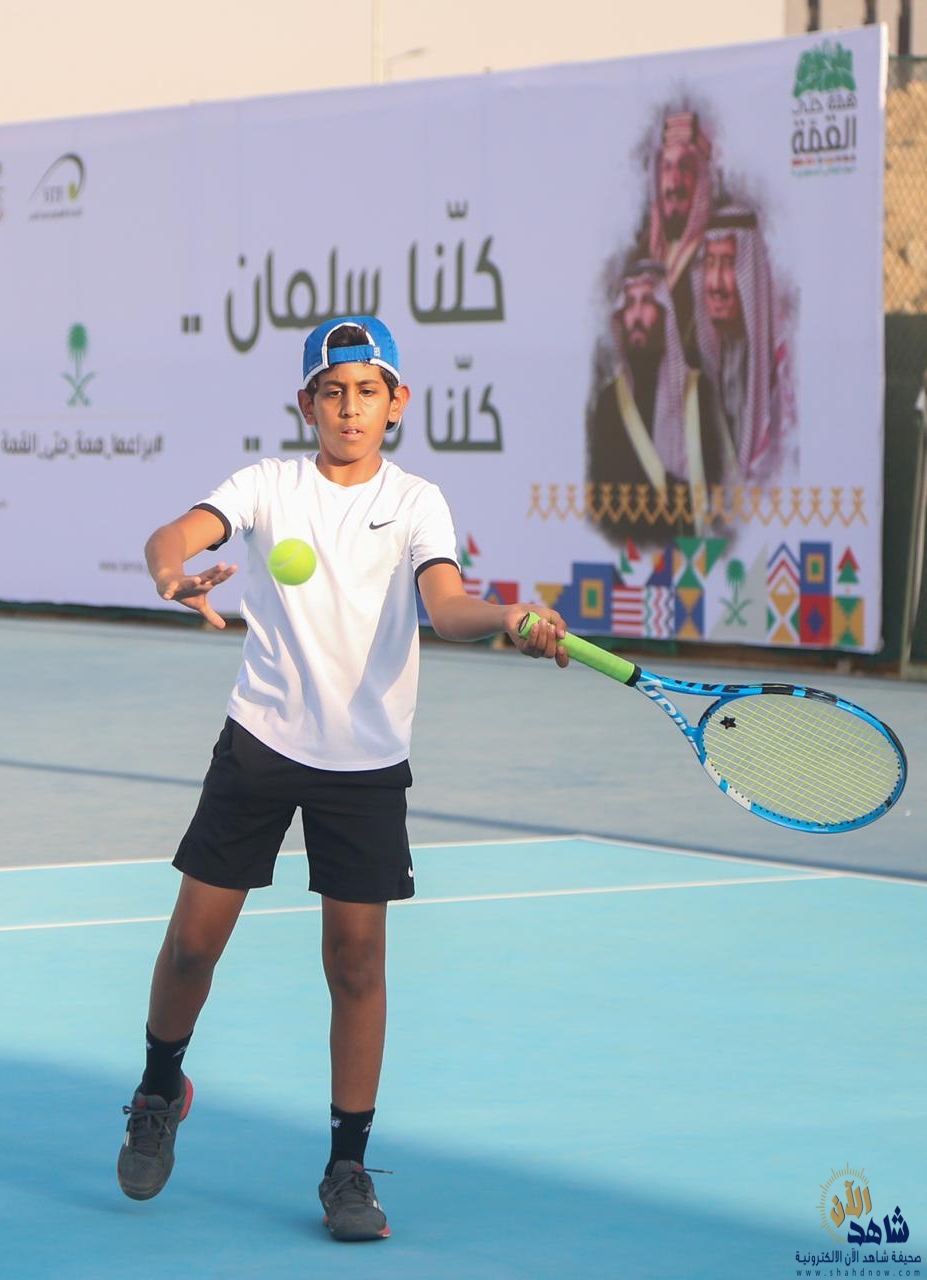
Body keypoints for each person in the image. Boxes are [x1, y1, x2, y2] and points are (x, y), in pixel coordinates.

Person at [117, 316, 569, 1241]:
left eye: (367, 392)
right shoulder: (268, 486)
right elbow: (174, 533)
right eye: (333, 393)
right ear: (306, 404)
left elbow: (446, 606)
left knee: (356, 963)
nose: (349, 409)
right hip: (261, 741)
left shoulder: (416, 503)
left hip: (364, 763)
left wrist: (505, 617)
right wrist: (171, 572)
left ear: (396, 402)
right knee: (193, 945)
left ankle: (346, 1167)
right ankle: (160, 1089)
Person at [587, 260, 728, 544]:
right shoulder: (608, 403)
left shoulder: (698, 393)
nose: (637, 315)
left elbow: (718, 487)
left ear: (665, 313)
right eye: (630, 304)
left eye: (647, 302)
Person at [694, 206, 794, 483]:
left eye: (729, 263)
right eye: (710, 263)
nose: (715, 283)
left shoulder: (781, 371)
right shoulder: (700, 363)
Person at [647, 110, 714, 362]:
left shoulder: (712, 256)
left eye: (684, 167)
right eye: (666, 168)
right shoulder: (647, 253)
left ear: (701, 179)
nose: (674, 182)